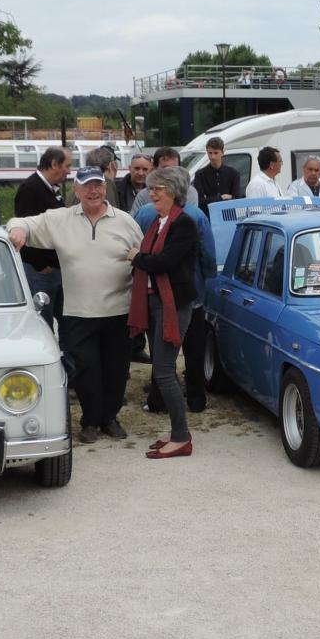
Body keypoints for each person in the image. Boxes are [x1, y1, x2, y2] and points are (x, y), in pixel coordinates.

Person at [6, 165, 143, 444]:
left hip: (119, 311)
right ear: (76, 190)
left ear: (105, 188)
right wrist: (17, 230)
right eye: (87, 186)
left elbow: (143, 256)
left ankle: (110, 418)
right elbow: (20, 222)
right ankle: (90, 421)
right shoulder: (61, 219)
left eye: (98, 185)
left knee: (116, 370)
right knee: (85, 369)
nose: (93, 191)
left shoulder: (126, 221)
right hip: (79, 312)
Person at [126, 166, 201, 459]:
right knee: (162, 370)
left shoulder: (184, 224)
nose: (151, 193)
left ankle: (181, 438)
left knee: (165, 372)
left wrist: (137, 257)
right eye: (151, 188)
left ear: (173, 191)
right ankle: (177, 433)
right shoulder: (160, 221)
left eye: (158, 188)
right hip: (157, 302)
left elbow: (164, 262)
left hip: (174, 305)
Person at [134, 185, 218, 414]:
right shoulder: (196, 215)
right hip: (189, 289)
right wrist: (209, 276)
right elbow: (208, 254)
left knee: (160, 350)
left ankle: (157, 399)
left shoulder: (145, 213)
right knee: (193, 348)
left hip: (153, 290)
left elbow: (135, 242)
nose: (153, 194)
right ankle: (196, 399)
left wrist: (137, 259)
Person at [14, 146, 71, 332]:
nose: (69, 171)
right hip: (42, 272)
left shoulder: (51, 189)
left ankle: (69, 359)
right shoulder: (30, 189)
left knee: (67, 321)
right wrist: (40, 265)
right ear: (54, 164)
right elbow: (24, 228)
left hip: (56, 268)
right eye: (67, 166)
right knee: (44, 324)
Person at [133, 146, 199, 213]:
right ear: (154, 169)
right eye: (166, 168)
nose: (171, 173)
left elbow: (191, 218)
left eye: (174, 168)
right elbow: (134, 221)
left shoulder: (189, 192)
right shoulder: (143, 195)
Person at [193, 136, 240, 216]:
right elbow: (200, 201)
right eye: (210, 153)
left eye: (215, 153)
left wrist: (209, 199)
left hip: (228, 216)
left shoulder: (234, 173)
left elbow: (236, 199)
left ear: (222, 152)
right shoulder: (200, 174)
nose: (212, 157)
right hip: (208, 216)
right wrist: (221, 198)